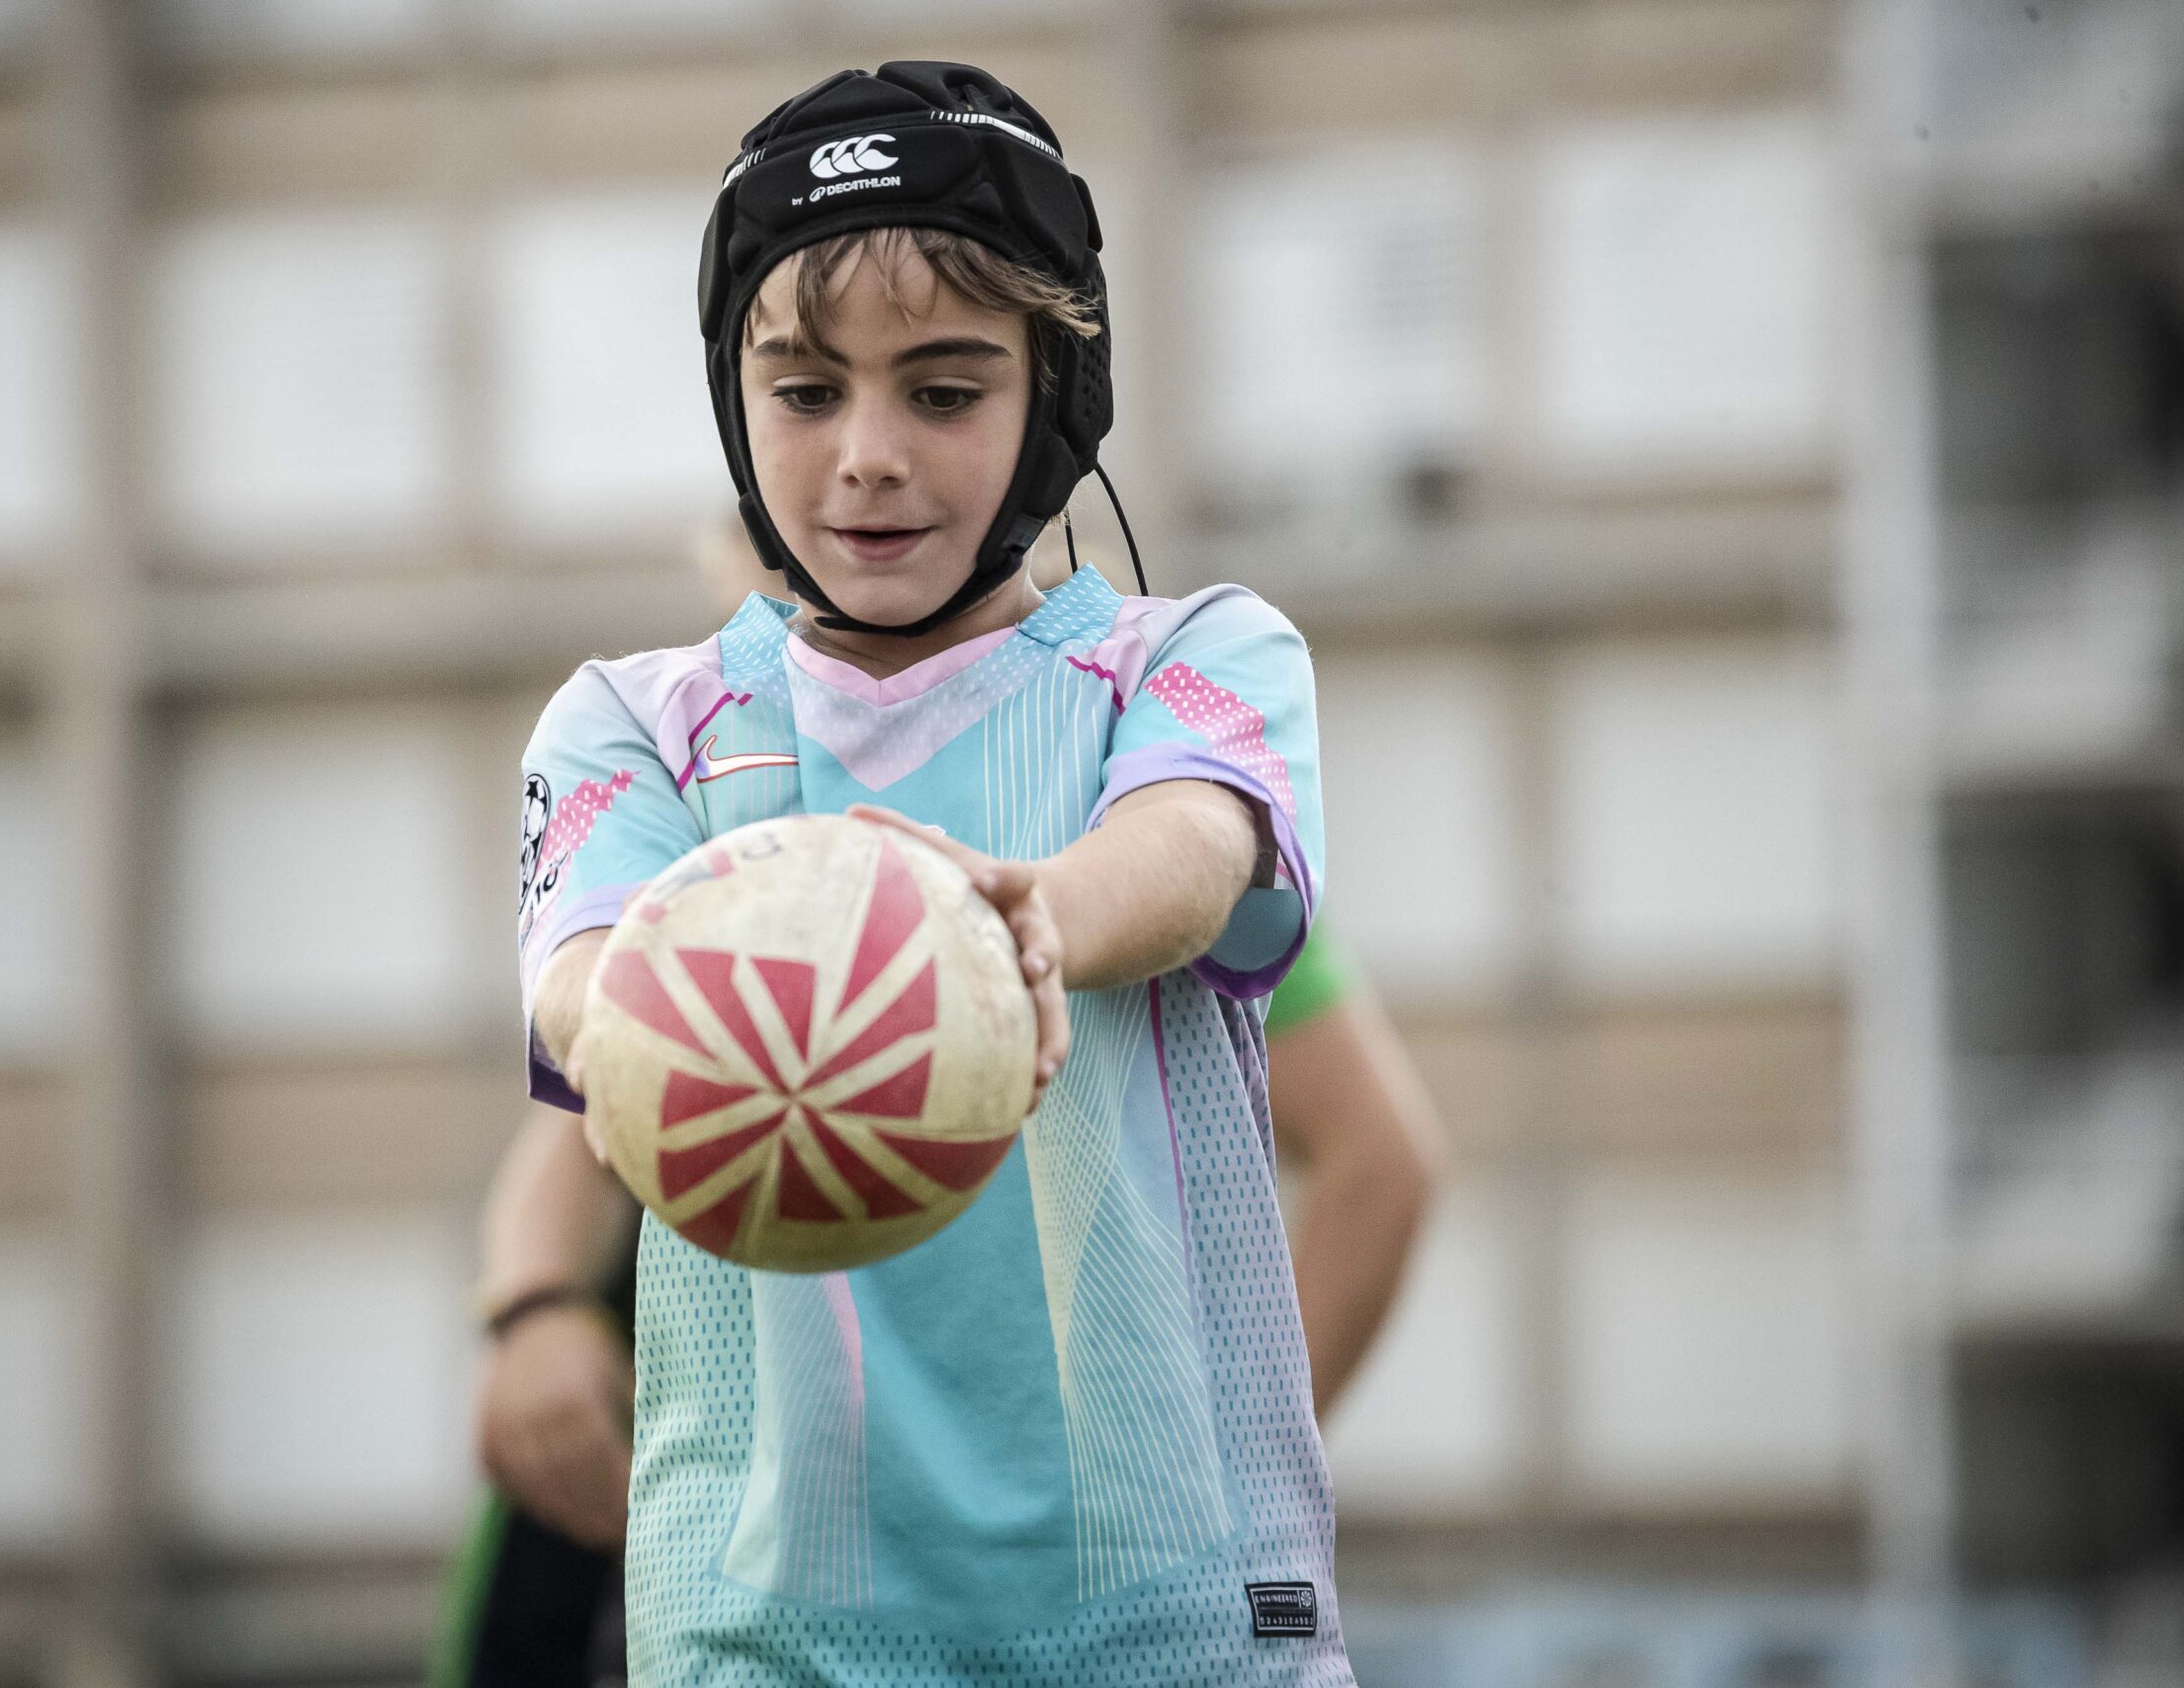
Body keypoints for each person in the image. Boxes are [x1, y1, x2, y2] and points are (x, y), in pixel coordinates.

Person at [506, 60, 1362, 1682]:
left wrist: (1020, 923)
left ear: (1060, 401)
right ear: (732, 400)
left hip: (1175, 1630)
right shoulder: (634, 722)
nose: (870, 455)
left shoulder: (1196, 655)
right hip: (767, 1640)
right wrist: (658, 1010)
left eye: (946, 391)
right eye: (807, 390)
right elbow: (582, 990)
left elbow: (1188, 847)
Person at [435, 920, 1442, 1687]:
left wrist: (1203, 1486)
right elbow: (573, 1131)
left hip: (1007, 1573)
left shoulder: (1137, 808)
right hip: (660, 1539)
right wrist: (532, 1312)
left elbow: (1380, 1163)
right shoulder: (725, 799)